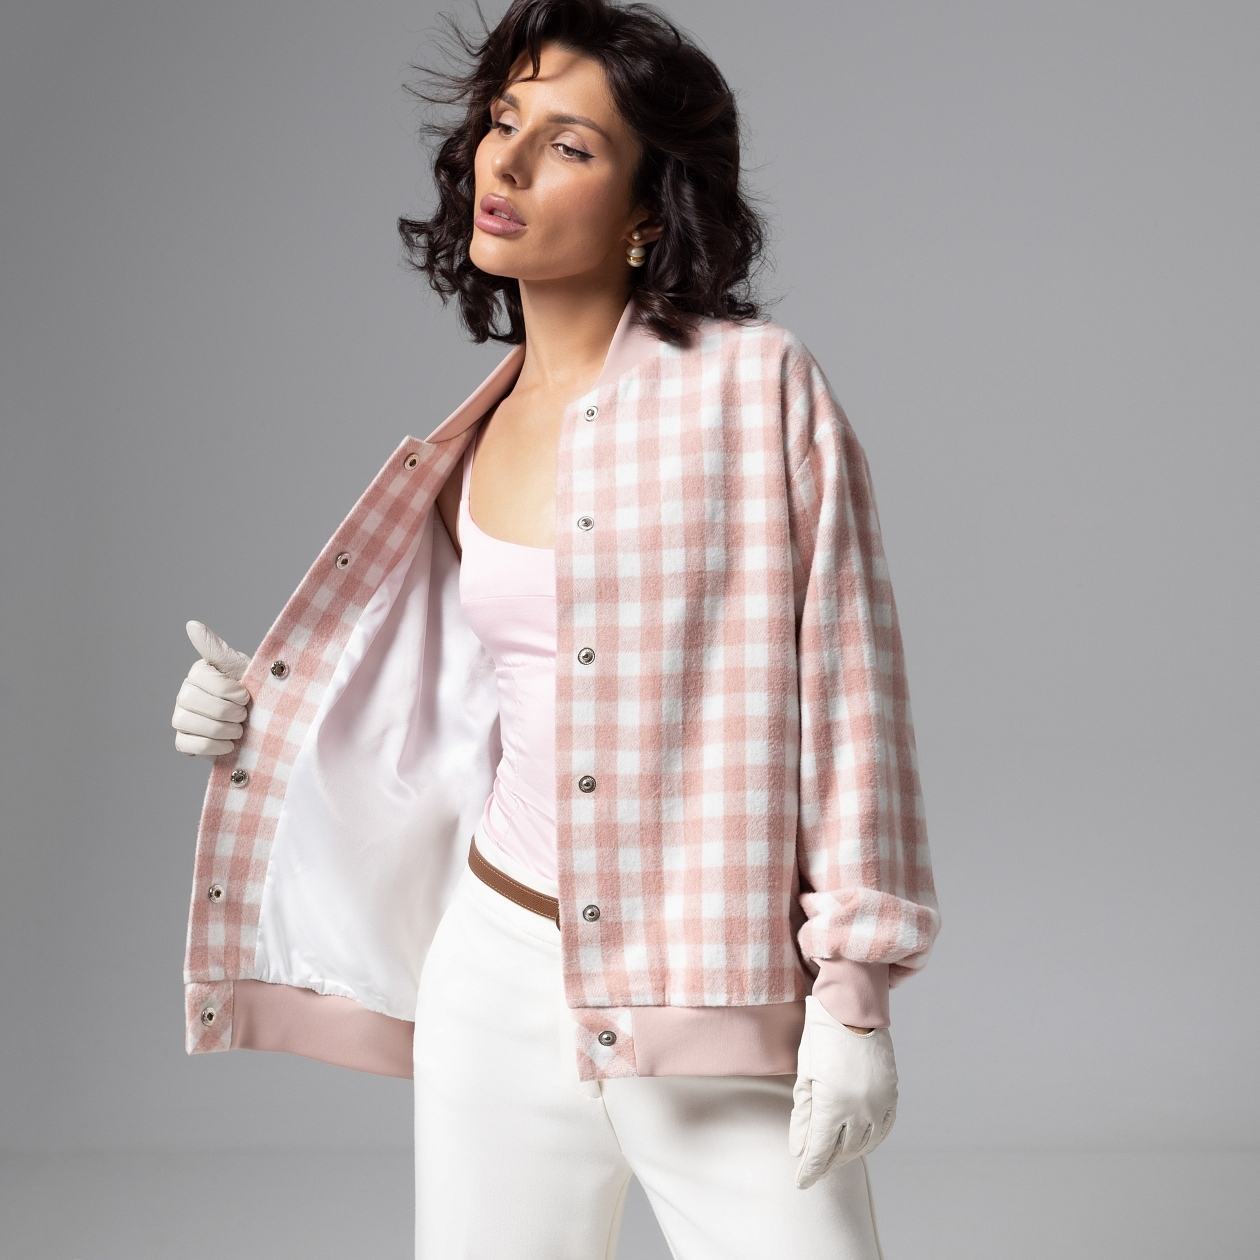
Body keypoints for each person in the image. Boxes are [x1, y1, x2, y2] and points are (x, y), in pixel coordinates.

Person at [170, 2, 940, 1256]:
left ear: (650, 210)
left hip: (703, 984)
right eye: (503, 121)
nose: (510, 163)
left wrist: (854, 998)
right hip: (492, 972)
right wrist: (261, 719)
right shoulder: (469, 441)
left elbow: (853, 701)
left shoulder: (755, 387)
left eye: (569, 145)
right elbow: (447, 711)